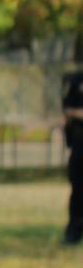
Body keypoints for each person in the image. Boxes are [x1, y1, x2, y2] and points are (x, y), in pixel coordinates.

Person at [60, 70, 82, 245]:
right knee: (78, 190)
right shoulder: (76, 81)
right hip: (79, 146)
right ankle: (74, 231)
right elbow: (66, 110)